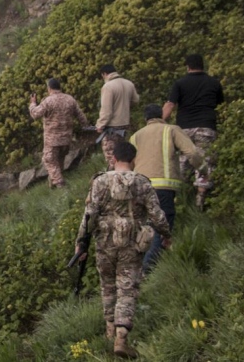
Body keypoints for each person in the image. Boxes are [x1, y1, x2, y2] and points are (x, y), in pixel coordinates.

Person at [74, 141, 172, 359]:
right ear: (134, 160)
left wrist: (81, 243)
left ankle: (109, 329)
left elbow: (89, 216)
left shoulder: (99, 181)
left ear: (114, 159)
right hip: (132, 244)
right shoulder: (142, 183)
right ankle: (121, 336)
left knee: (107, 285)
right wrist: (166, 235)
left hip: (105, 243)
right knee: (127, 288)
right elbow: (157, 216)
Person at [129, 104, 203, 274]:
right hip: (163, 188)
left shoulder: (135, 136)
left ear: (146, 119)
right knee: (160, 226)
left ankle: (134, 267)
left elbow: (129, 163)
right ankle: (147, 270)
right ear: (162, 116)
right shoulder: (171, 130)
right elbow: (192, 152)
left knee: (142, 227)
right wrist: (204, 169)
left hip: (139, 188)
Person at [162, 54, 225, 210]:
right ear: (203, 66)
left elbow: (170, 105)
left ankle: (179, 196)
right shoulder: (214, 83)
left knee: (183, 160)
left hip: (185, 128)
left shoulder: (180, 83)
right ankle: (200, 198)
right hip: (206, 126)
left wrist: (159, 122)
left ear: (187, 66)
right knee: (205, 160)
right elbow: (220, 104)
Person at [29, 78, 89, 188]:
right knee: (59, 162)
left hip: (52, 140)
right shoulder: (70, 99)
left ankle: (61, 185)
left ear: (49, 88)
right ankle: (53, 187)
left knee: (49, 161)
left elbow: (35, 114)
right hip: (66, 139)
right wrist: (85, 126)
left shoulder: (48, 101)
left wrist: (33, 103)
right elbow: (81, 116)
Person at [95, 64, 140, 170]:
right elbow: (136, 100)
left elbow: (106, 110)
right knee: (123, 155)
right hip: (125, 125)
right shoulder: (129, 83)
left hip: (112, 127)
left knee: (112, 157)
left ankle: (112, 179)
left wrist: (100, 125)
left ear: (104, 74)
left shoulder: (108, 86)